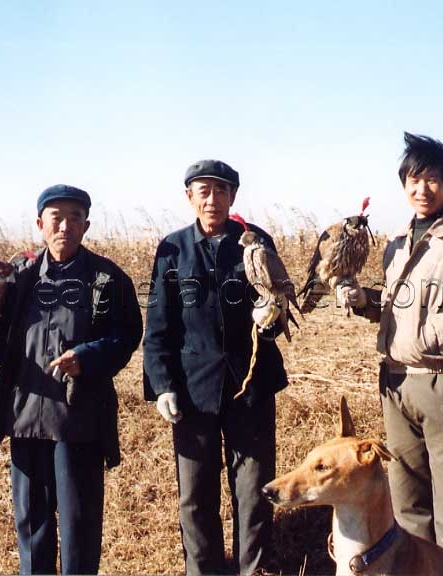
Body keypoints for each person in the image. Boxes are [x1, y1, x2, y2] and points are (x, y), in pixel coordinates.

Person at [0, 184, 143, 575]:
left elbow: (126, 335)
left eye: (75, 217)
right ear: (41, 224)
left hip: (78, 421)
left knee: (79, 525)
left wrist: (87, 357)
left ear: (86, 226)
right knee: (32, 524)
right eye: (56, 217)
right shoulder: (19, 280)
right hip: (25, 419)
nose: (65, 226)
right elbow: (1, 341)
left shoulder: (106, 279)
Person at [338, 133, 443, 563]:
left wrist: (431, 335)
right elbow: (400, 309)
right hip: (395, 385)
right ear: (403, 186)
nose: (422, 189)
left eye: (432, 179)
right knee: (407, 505)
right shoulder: (396, 243)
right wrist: (366, 302)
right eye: (413, 180)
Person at [143, 159, 289, 575]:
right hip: (193, 391)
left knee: (254, 490)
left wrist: (272, 316)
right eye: (204, 191)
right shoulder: (172, 249)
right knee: (195, 495)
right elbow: (159, 325)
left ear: (233, 198)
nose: (213, 200)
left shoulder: (256, 241)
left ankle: (253, 570)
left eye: (221, 191)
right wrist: (163, 385)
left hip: (250, 386)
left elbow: (277, 312)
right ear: (189, 197)